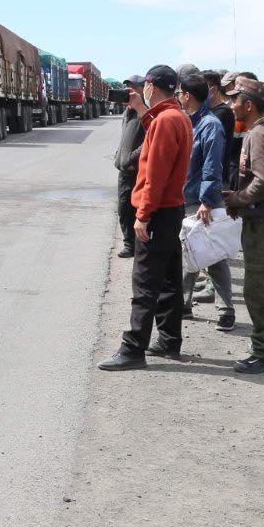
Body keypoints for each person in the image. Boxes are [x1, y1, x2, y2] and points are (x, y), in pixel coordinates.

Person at [98, 65, 191, 371]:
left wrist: (143, 215)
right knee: (167, 278)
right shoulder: (175, 116)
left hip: (158, 210)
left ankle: (133, 347)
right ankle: (168, 338)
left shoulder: (167, 120)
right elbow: (158, 133)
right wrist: (141, 110)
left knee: (145, 281)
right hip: (171, 208)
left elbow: (155, 175)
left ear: (151, 86)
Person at [223, 80, 264, 373]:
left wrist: (238, 199)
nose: (231, 104)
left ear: (248, 104)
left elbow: (263, 182)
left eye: (235, 99)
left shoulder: (259, 134)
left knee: (258, 289)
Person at [178, 72, 234, 331]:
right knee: (190, 253)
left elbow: (213, 166)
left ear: (188, 96)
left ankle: (226, 310)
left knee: (212, 256)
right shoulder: (188, 122)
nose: (178, 97)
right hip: (188, 197)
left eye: (180, 93)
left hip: (201, 201)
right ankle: (184, 305)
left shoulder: (210, 125)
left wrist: (207, 201)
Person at [113, 77, 146, 258]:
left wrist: (132, 159)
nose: (128, 92)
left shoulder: (145, 113)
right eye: (127, 89)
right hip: (124, 170)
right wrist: (120, 156)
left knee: (138, 207)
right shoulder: (127, 112)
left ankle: (138, 244)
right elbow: (125, 137)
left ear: (142, 90)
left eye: (132, 89)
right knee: (124, 207)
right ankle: (129, 243)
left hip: (136, 170)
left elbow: (149, 141)